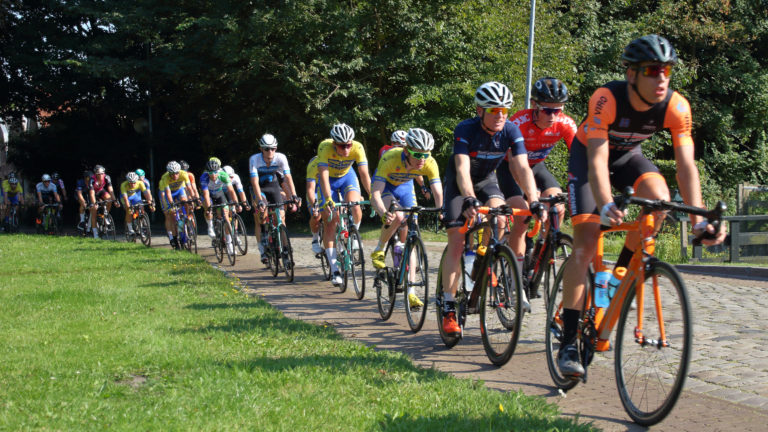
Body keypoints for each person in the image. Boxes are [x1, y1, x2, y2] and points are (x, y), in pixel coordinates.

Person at [557, 35, 726, 377]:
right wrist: (605, 203)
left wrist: (699, 217)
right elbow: (598, 158)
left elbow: (686, 166)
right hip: (590, 158)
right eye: (652, 70)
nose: (661, 77)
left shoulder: (677, 106)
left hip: (629, 159)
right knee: (586, 242)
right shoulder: (607, 98)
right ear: (632, 74)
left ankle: (620, 273)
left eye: (666, 70)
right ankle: (568, 340)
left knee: (660, 199)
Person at [439, 81, 544, 336]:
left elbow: (521, 167)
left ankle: (489, 263)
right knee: (457, 239)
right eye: (493, 110)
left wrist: (533, 199)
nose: (500, 116)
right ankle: (448, 307)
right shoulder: (465, 129)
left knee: (500, 217)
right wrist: (469, 198)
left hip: (487, 181)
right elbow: (462, 168)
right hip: (459, 185)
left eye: (504, 111)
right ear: (480, 111)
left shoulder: (510, 130)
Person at [498, 77, 577, 298]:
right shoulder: (518, 122)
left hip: (537, 167)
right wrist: (532, 197)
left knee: (558, 207)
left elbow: (581, 158)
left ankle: (540, 253)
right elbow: (517, 165)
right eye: (547, 110)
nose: (553, 116)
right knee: (523, 216)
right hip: (511, 167)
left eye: (558, 110)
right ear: (534, 105)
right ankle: (516, 274)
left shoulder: (565, 123)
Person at [370, 128, 444, 308]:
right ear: (406, 151)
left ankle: (411, 292)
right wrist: (382, 212)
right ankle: (379, 249)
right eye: (417, 154)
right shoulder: (390, 157)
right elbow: (375, 193)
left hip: (405, 187)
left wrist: (442, 210)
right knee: (396, 216)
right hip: (386, 186)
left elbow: (437, 190)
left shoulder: (429, 162)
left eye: (425, 155)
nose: (422, 159)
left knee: (413, 231)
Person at [316, 123, 372, 286]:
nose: (347, 149)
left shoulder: (358, 147)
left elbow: (364, 175)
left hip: (347, 176)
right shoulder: (325, 147)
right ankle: (334, 270)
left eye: (349, 145)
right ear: (334, 144)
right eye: (342, 146)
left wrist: (371, 196)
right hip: (330, 181)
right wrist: (328, 199)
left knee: (355, 205)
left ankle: (353, 233)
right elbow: (324, 177)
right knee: (331, 221)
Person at [249, 134, 300, 263]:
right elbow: (254, 182)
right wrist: (259, 200)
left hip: (274, 187)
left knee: (281, 219)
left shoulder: (281, 158)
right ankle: (263, 244)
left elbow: (288, 178)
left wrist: (293, 195)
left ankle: (286, 250)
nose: (270, 151)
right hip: (260, 189)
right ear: (261, 149)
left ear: (276, 148)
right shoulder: (254, 159)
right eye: (266, 149)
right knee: (262, 213)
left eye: (273, 148)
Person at [200, 158, 241, 254]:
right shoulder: (204, 177)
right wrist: (209, 208)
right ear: (207, 172)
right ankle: (210, 226)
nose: (213, 175)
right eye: (210, 173)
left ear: (218, 171)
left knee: (225, 216)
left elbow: (231, 191)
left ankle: (229, 244)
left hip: (219, 194)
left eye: (215, 172)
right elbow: (206, 194)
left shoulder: (223, 175)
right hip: (209, 195)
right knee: (207, 207)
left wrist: (236, 203)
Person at [158, 160, 193, 249]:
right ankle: (173, 238)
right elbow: (167, 193)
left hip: (179, 190)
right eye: (172, 174)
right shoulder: (165, 178)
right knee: (171, 215)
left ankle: (186, 218)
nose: (175, 176)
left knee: (186, 201)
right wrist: (171, 204)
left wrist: (193, 198)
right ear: (168, 173)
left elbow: (189, 187)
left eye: (176, 173)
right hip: (168, 194)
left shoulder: (184, 174)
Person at [88, 165, 119, 238]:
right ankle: (95, 233)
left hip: (101, 191)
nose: (101, 175)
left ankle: (106, 215)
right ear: (95, 174)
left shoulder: (107, 177)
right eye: (99, 174)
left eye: (102, 173)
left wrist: (114, 201)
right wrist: (94, 203)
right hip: (93, 193)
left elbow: (111, 190)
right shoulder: (92, 179)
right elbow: (92, 194)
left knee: (109, 199)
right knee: (94, 211)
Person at [305, 155, 324, 254]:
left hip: (329, 189)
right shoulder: (314, 163)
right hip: (315, 190)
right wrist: (314, 205)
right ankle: (315, 239)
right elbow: (311, 189)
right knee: (316, 214)